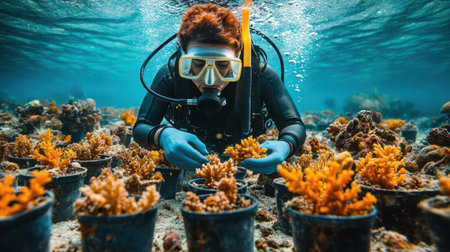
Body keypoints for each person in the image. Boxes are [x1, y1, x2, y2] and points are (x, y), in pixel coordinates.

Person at [134, 4, 306, 175]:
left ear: (238, 59)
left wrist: (286, 145)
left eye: (223, 65)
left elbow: (293, 124)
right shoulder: (170, 75)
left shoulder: (262, 76)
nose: (209, 80)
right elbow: (142, 126)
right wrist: (163, 135)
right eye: (197, 64)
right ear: (184, 56)